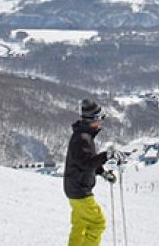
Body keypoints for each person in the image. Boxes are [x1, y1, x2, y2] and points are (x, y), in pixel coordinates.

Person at [64, 99, 117, 246]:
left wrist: (103, 173)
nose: (101, 122)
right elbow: (86, 163)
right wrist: (106, 156)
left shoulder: (83, 135)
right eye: (100, 118)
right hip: (81, 191)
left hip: (73, 188)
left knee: (80, 224)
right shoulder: (82, 139)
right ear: (92, 120)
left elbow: (87, 161)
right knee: (97, 223)